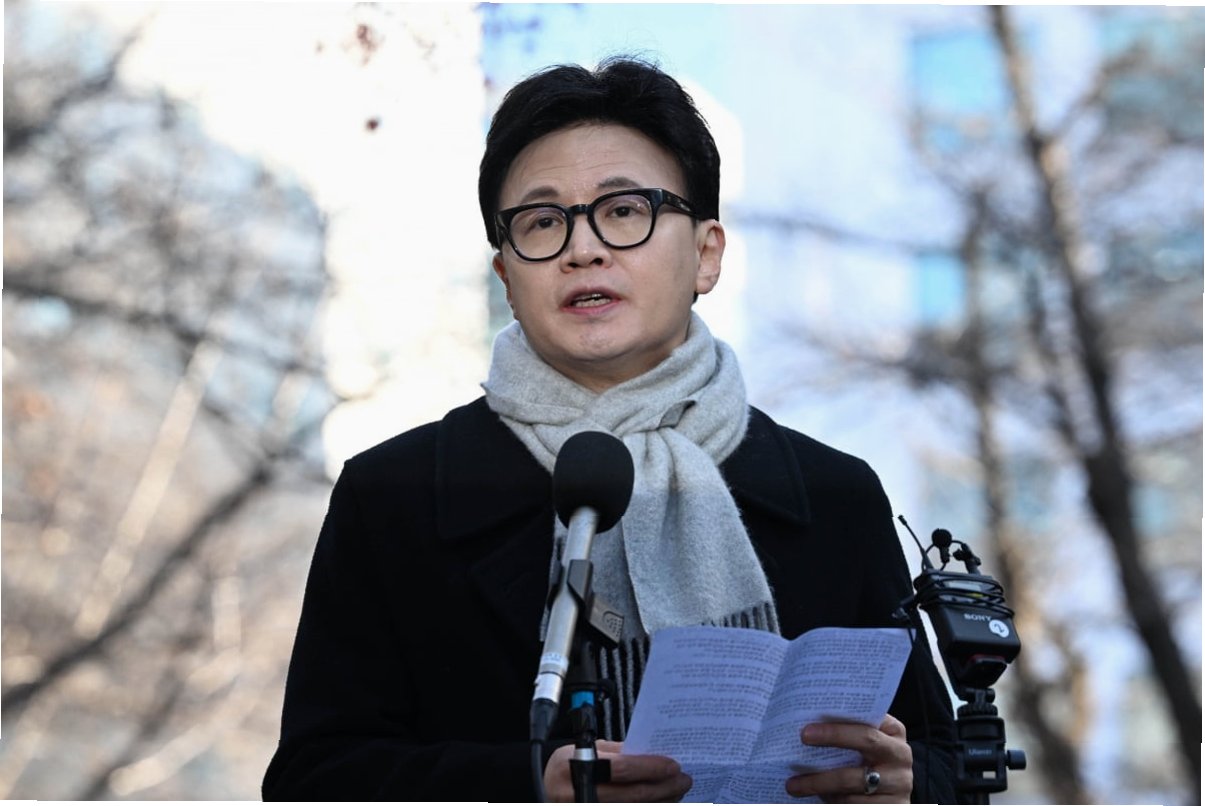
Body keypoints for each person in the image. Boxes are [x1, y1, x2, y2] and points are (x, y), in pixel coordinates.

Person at [262, 57, 956, 803]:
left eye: (625, 211)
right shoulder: (394, 495)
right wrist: (526, 788)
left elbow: (946, 763)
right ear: (506, 276)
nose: (582, 248)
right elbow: (312, 780)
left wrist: (907, 785)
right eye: (541, 221)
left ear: (706, 255)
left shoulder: (833, 495)